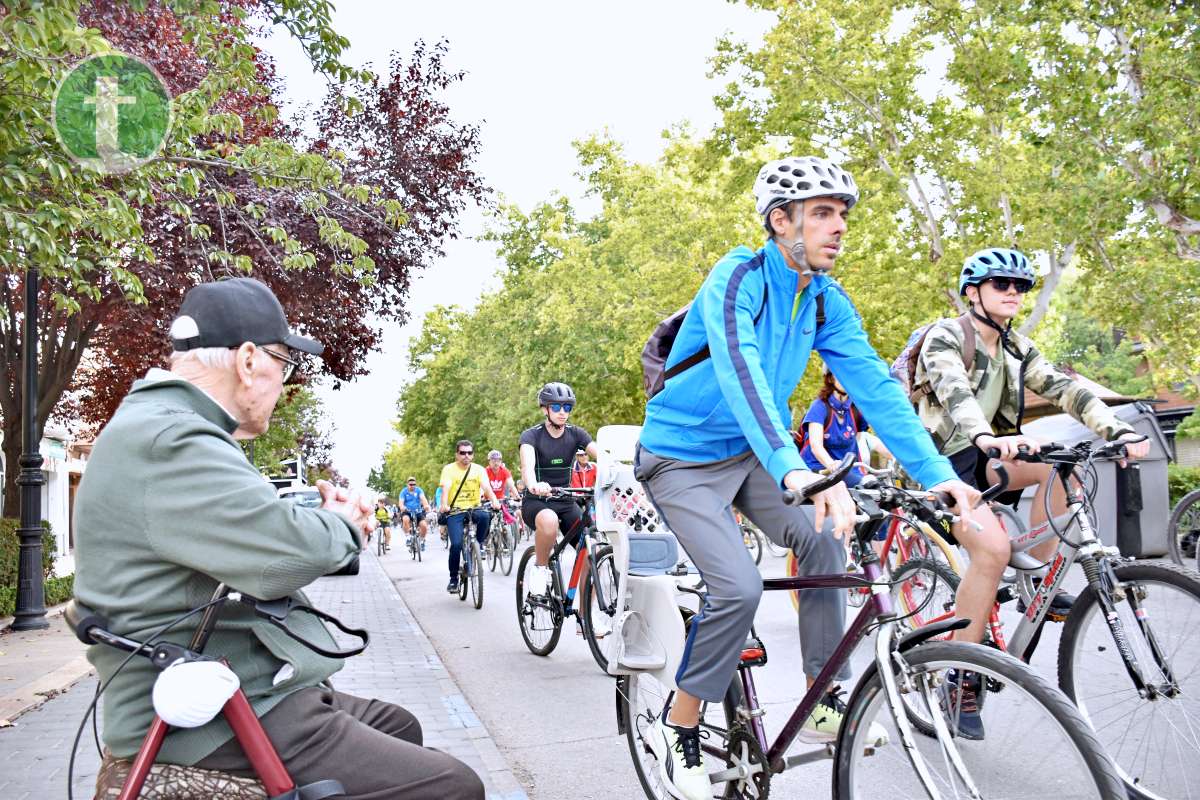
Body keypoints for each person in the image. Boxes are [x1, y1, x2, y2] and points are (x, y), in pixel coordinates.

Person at [635, 156, 978, 799]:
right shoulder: (737, 276)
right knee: (735, 588)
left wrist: (936, 474)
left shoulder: (824, 299)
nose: (838, 227)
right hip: (681, 458)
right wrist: (796, 467)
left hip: (752, 458)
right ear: (780, 221)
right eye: (823, 213)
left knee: (825, 538)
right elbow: (745, 375)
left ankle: (824, 692)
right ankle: (679, 725)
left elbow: (875, 385)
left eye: (842, 215)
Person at [72, 277, 484, 799]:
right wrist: (344, 525)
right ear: (248, 361)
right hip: (208, 716)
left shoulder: (162, 428)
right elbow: (282, 557)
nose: (284, 383)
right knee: (453, 786)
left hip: (230, 684)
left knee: (399, 725)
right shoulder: (174, 440)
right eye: (284, 365)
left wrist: (322, 521)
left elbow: (257, 529)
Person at [914, 246, 1150, 739]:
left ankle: (1036, 580)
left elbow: (1068, 390)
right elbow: (955, 393)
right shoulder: (946, 335)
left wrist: (1116, 431)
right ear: (973, 292)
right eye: (1003, 284)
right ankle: (960, 678)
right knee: (993, 551)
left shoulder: (1017, 347)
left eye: (1021, 286)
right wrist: (985, 436)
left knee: (1063, 469)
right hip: (943, 463)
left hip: (990, 453)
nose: (1014, 293)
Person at [519, 383, 599, 597]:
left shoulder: (576, 434)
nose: (562, 412)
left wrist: (620, 467)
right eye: (556, 407)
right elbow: (527, 467)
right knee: (549, 521)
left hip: (565, 502)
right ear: (545, 409)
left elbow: (600, 454)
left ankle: (586, 620)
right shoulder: (531, 436)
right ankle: (540, 569)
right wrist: (534, 484)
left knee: (590, 551)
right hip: (537, 502)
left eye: (567, 407)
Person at [439, 440, 501, 593]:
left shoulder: (479, 469)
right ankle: (453, 579)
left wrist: (494, 501)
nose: (466, 455)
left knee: (486, 516)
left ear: (473, 455)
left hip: (474, 508)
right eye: (462, 453)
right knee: (456, 545)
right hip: (455, 511)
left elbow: (486, 487)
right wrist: (444, 505)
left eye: (469, 453)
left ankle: (478, 545)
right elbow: (446, 488)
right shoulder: (449, 469)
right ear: (457, 454)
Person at [798, 368, 871, 487]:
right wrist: (831, 465)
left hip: (849, 471)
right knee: (863, 486)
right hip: (819, 469)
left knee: (881, 490)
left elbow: (858, 440)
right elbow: (816, 447)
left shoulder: (856, 409)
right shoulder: (819, 407)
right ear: (831, 378)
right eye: (843, 376)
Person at [399, 477, 432, 550]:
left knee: (424, 526)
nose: (412, 486)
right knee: (405, 519)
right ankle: (408, 537)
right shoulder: (403, 491)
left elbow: (423, 498)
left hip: (418, 511)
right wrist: (402, 507)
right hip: (407, 511)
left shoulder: (419, 490)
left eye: (414, 484)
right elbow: (401, 502)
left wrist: (426, 505)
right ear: (407, 484)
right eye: (410, 484)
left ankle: (422, 540)